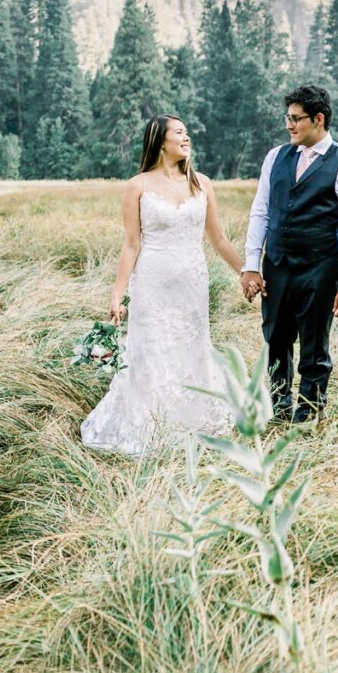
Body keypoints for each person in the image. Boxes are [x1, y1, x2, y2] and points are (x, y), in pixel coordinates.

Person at [81, 115, 248, 457]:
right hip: (152, 285)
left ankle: (193, 419)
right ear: (160, 141)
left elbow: (217, 239)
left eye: (187, 132)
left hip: (192, 284)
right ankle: (148, 423)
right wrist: (117, 294)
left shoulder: (201, 183)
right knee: (151, 351)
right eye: (179, 133)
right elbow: (131, 244)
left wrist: (246, 272)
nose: (186, 137)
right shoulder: (137, 186)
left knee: (192, 347)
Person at [239, 83, 338, 422]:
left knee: (314, 346)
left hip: (320, 267)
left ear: (319, 119)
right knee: (275, 340)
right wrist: (251, 266)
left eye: (296, 119)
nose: (289, 125)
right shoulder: (275, 157)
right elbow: (261, 212)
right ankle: (277, 408)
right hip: (277, 265)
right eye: (288, 117)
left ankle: (308, 415)